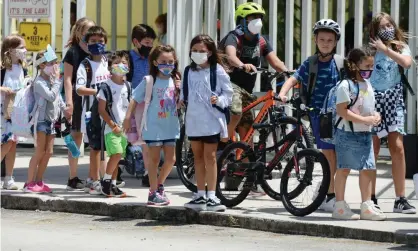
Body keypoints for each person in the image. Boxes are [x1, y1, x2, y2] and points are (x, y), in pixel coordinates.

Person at [221, 2, 288, 195]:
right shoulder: (234, 37)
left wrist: (287, 72)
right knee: (234, 111)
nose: (257, 22)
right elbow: (231, 56)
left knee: (248, 135)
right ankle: (223, 143)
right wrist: (242, 65)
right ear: (242, 21)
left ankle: (248, 181)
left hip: (247, 90)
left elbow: (274, 61)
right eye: (252, 18)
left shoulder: (262, 41)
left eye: (259, 18)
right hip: (229, 85)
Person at [279, 19, 343, 212]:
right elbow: (294, 78)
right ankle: (329, 194)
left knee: (337, 156)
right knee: (329, 155)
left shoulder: (341, 63)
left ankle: (328, 191)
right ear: (315, 40)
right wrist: (283, 93)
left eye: (330, 40)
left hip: (339, 116)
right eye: (322, 39)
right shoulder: (311, 63)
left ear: (335, 42)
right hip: (319, 116)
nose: (325, 43)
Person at [368, 12, 416, 214]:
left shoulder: (400, 46)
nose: (385, 29)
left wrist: (385, 50)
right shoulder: (369, 50)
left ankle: (400, 198)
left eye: (388, 25)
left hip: (394, 100)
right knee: (373, 149)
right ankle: (370, 197)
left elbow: (406, 63)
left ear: (394, 26)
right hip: (373, 101)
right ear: (374, 31)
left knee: (398, 147)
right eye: (381, 27)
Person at [333, 47, 386, 221]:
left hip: (365, 134)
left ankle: (366, 205)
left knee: (368, 168)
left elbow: (369, 107)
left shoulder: (368, 85)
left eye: (372, 66)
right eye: (366, 66)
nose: (369, 70)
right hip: (347, 134)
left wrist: (375, 116)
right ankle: (339, 206)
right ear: (355, 65)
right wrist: (366, 120)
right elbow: (342, 111)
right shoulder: (345, 85)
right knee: (344, 169)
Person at [124, 45, 180, 206]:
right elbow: (134, 99)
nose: (167, 65)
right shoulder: (149, 81)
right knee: (154, 160)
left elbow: (180, 102)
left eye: (171, 62)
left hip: (171, 126)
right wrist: (127, 118)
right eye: (163, 61)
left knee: (171, 159)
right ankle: (152, 192)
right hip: (153, 127)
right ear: (155, 62)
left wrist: (180, 89)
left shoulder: (175, 81)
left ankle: (159, 185)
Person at [182, 34, 233, 212]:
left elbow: (228, 94)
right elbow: (184, 93)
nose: (198, 54)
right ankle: (200, 193)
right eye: (194, 50)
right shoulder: (188, 71)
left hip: (211, 120)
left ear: (210, 52)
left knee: (210, 157)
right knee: (197, 157)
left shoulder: (217, 70)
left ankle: (212, 194)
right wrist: (181, 100)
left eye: (201, 51)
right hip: (193, 121)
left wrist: (218, 100)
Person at [25, 46, 67, 193]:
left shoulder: (51, 80)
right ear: (42, 65)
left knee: (48, 152)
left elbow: (58, 99)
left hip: (52, 121)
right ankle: (29, 182)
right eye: (51, 63)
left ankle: (39, 180)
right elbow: (51, 96)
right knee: (39, 152)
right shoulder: (39, 82)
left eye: (56, 63)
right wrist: (57, 82)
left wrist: (65, 109)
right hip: (41, 121)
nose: (55, 66)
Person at [76, 26, 111, 195]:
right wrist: (98, 91)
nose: (97, 44)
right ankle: (94, 179)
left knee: (106, 147)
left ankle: (102, 178)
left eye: (100, 41)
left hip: (108, 112)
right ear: (87, 44)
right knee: (95, 147)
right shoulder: (85, 65)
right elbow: (79, 88)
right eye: (93, 41)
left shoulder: (108, 62)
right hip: (92, 112)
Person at [62, 17, 96, 190]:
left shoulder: (96, 50)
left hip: (94, 98)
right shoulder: (73, 52)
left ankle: (94, 177)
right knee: (76, 137)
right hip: (78, 98)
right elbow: (68, 79)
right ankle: (73, 177)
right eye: (87, 30)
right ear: (79, 32)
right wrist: (69, 102)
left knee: (95, 139)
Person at [125, 24, 157, 187]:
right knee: (125, 138)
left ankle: (147, 171)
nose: (149, 46)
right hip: (130, 104)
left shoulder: (153, 58)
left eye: (151, 43)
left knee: (146, 141)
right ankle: (115, 172)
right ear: (136, 42)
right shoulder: (127, 59)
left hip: (148, 105)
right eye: (146, 42)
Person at [98, 51, 131, 197]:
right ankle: (105, 182)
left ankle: (112, 185)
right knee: (116, 154)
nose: (121, 65)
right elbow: (101, 109)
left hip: (124, 129)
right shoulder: (106, 86)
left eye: (124, 62)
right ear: (110, 67)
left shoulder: (128, 86)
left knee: (117, 158)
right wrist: (112, 125)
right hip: (111, 128)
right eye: (117, 63)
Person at [0, 34, 27, 190]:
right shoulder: (3, 68)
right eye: (21, 47)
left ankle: (8, 177)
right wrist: (3, 89)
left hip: (16, 111)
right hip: (3, 111)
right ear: (10, 50)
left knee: (13, 144)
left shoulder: (22, 68)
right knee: (7, 142)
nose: (25, 50)